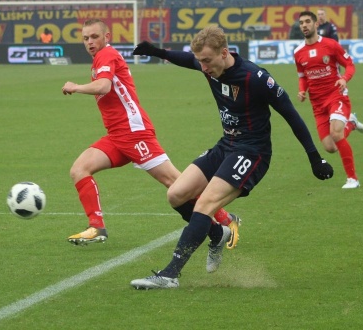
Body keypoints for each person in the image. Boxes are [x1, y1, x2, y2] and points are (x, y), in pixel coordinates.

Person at [129, 26, 334, 289]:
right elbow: (186, 58)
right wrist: (155, 51)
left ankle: (169, 275)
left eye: (207, 61)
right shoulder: (209, 65)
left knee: (205, 203)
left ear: (224, 53)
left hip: (252, 152)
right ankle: (218, 233)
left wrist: (315, 157)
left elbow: (291, 114)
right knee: (176, 195)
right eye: (200, 61)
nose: (202, 67)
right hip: (226, 145)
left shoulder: (255, 77)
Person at [61, 19, 241, 251]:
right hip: (116, 135)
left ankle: (227, 220)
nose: (90, 42)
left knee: (177, 183)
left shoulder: (106, 54)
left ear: (106, 37)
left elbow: (104, 86)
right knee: (79, 169)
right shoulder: (99, 59)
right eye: (85, 38)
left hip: (134, 133)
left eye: (94, 36)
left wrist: (76, 87)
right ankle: (96, 227)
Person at [293, 11, 363, 189]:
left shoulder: (331, 45)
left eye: (308, 21)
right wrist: (302, 91)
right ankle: (352, 124)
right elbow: (302, 76)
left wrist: (344, 79)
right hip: (317, 104)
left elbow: (349, 64)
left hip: (336, 96)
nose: (304, 25)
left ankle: (352, 179)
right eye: (301, 22)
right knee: (330, 146)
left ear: (316, 24)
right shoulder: (298, 52)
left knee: (336, 133)